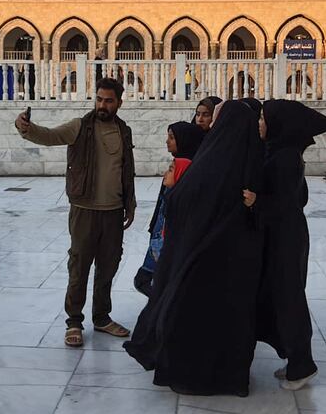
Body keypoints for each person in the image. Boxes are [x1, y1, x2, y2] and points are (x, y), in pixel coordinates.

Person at [124, 100, 264, 397]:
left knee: (195, 317)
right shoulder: (252, 159)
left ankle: (194, 375)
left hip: (203, 257)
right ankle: (230, 378)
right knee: (229, 321)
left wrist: (173, 188)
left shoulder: (212, 160)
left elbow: (181, 204)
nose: (210, 125)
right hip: (237, 260)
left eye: (214, 119)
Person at [15, 78, 136, 349]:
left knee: (109, 266)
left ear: (119, 102)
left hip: (113, 211)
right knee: (79, 266)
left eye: (109, 100)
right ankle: (74, 322)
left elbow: (126, 169)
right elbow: (49, 136)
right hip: (84, 209)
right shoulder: (80, 126)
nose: (103, 105)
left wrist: (131, 203)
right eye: (99, 99)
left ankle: (102, 317)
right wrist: (25, 128)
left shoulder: (123, 130)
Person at [244, 99, 326, 391]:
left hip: (286, 237)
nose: (259, 124)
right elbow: (300, 197)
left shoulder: (284, 158)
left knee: (290, 301)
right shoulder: (281, 152)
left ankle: (303, 366)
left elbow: (288, 204)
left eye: (262, 119)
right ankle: (294, 358)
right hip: (283, 235)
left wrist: (258, 201)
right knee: (280, 298)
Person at [134, 122, 205, 297]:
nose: (167, 142)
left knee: (150, 282)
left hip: (167, 242)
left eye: (172, 138)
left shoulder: (186, 171)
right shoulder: (177, 167)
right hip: (160, 237)